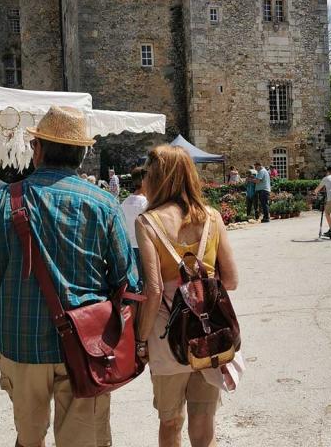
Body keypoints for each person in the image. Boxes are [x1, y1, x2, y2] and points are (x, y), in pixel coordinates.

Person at [0, 106, 140, 447]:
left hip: (20, 341)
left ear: (38, 149)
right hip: (87, 344)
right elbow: (128, 283)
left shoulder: (3, 199)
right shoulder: (104, 203)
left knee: (28, 439)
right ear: (82, 153)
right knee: (84, 441)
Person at [135, 145, 239, 447]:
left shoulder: (148, 222)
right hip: (209, 333)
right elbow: (230, 280)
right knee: (204, 421)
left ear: (156, 178)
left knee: (170, 422)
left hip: (167, 336)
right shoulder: (211, 217)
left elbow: (153, 291)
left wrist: (141, 340)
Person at [121, 166, 148, 266]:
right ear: (143, 181)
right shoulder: (145, 203)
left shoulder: (125, 202)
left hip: (128, 246)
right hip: (142, 247)